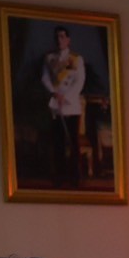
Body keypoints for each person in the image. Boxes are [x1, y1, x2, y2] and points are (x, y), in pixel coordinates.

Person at [41, 26, 85, 187]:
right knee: (58, 142)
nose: (59, 40)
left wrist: (65, 97)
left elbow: (79, 81)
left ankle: (75, 175)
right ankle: (60, 175)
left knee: (73, 141)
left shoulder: (76, 59)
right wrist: (54, 93)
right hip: (56, 105)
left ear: (68, 40)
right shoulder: (50, 58)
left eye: (62, 37)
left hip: (71, 106)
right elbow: (45, 78)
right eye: (57, 37)